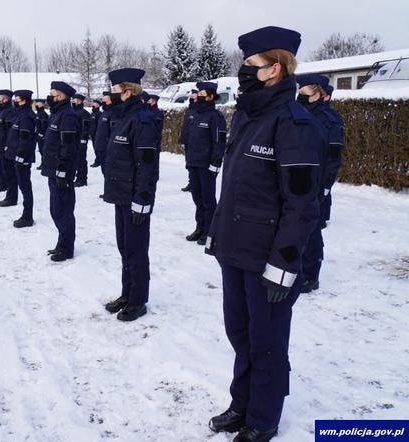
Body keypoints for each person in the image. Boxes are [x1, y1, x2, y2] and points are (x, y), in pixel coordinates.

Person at [205, 26, 324, 442]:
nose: (241, 71)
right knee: (239, 333)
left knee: (267, 342)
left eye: (249, 64)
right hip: (235, 250)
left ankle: (263, 418)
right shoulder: (246, 115)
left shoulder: (295, 124)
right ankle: (243, 403)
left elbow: (302, 205)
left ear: (275, 68)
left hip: (269, 259)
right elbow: (236, 187)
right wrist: (217, 234)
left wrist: (285, 262)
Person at [102, 68, 160, 322]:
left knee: (136, 250)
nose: (110, 95)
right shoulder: (123, 118)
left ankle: (138, 300)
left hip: (135, 199)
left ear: (127, 92)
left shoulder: (142, 121)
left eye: (114, 90)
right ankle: (127, 293)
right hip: (120, 195)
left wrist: (143, 200)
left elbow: (147, 165)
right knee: (125, 247)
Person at [296, 74, 344, 293]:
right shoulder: (297, 114)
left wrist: (325, 186)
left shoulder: (330, 120)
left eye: (305, 92)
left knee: (311, 229)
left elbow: (333, 158)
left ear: (319, 94)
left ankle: (310, 275)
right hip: (294, 180)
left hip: (314, 183)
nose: (301, 96)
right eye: (300, 92)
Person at [182, 81, 227, 245]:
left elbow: (219, 143)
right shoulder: (195, 115)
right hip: (194, 163)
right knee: (197, 198)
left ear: (210, 97)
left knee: (208, 200)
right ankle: (200, 227)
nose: (198, 97)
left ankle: (210, 231)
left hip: (206, 166)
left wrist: (215, 164)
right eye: (198, 94)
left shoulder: (216, 117)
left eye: (202, 95)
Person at [40, 81, 80, 262]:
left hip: (61, 171)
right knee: (56, 210)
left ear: (62, 96)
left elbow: (68, 146)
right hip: (53, 169)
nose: (50, 97)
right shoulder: (57, 114)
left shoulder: (68, 116)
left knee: (63, 210)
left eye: (53, 94)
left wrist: (62, 170)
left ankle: (66, 248)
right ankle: (61, 242)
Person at [10, 90, 37, 227]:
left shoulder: (26, 116)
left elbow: (25, 139)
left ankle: (28, 216)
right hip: (18, 155)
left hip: (23, 157)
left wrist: (20, 155)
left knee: (25, 186)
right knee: (22, 184)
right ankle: (26, 214)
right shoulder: (20, 114)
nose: (15, 101)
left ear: (24, 100)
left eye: (17, 99)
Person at [320, 84, 343, 226]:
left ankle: (322, 218)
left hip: (325, 161)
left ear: (327, 97)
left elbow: (335, 149)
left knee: (323, 190)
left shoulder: (332, 118)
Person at [180, 89, 199, 192]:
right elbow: (185, 126)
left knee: (194, 163)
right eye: (191, 97)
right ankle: (191, 182)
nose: (192, 98)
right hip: (188, 141)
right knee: (189, 163)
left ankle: (194, 183)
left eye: (194, 96)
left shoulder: (198, 110)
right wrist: (183, 139)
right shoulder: (189, 109)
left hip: (195, 142)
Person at [94, 92, 114, 188]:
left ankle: (112, 190)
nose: (102, 101)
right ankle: (108, 190)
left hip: (108, 148)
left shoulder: (113, 113)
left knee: (109, 171)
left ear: (110, 100)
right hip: (101, 147)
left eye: (104, 99)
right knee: (104, 171)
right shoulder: (104, 113)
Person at [72, 93, 91, 187]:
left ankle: (82, 179)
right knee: (76, 160)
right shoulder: (73, 112)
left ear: (79, 101)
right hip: (74, 141)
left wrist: (83, 140)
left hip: (80, 141)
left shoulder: (84, 113)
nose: (72, 101)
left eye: (74, 99)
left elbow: (85, 128)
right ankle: (78, 176)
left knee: (81, 160)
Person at [34, 98, 49, 164]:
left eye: (38, 103)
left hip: (42, 135)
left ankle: (45, 163)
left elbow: (44, 125)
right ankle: (43, 163)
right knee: (41, 150)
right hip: (38, 134)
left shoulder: (43, 114)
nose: (36, 104)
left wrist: (41, 133)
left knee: (43, 150)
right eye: (36, 103)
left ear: (42, 104)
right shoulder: (38, 113)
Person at [89, 99, 102, 167]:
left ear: (98, 105)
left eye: (95, 103)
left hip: (97, 135)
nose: (93, 104)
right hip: (92, 134)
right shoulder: (92, 114)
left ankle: (98, 161)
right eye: (93, 103)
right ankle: (98, 159)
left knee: (97, 148)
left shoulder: (99, 114)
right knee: (95, 148)